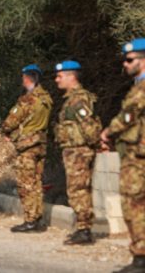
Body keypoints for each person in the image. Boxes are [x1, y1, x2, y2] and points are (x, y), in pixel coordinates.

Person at [101, 38, 145, 273]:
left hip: (139, 157)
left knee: (133, 203)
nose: (125, 64)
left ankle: (141, 256)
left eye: (130, 60)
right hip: (135, 153)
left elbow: (128, 116)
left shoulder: (142, 88)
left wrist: (109, 131)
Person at [53, 60, 102, 245]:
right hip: (73, 150)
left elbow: (88, 125)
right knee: (75, 188)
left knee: (79, 188)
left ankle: (84, 230)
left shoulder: (79, 99)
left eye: (60, 76)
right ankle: (82, 227)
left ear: (71, 76)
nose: (57, 80)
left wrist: (96, 144)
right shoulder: (71, 99)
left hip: (80, 151)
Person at [1, 64, 52, 233]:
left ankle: (30, 220)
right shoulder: (46, 98)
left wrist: (6, 131)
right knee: (37, 182)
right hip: (41, 144)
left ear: (28, 78)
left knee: (26, 183)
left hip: (28, 145)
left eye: (23, 77)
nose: (22, 81)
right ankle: (36, 217)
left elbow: (11, 120)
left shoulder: (27, 100)